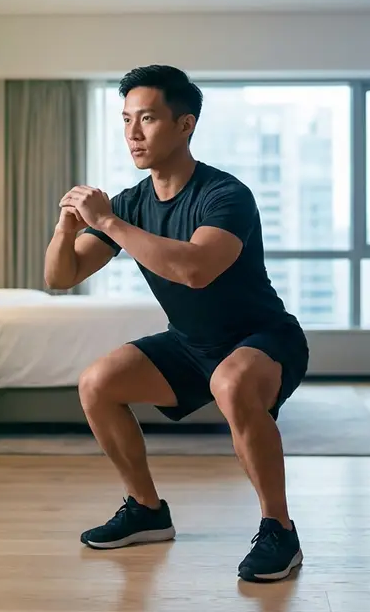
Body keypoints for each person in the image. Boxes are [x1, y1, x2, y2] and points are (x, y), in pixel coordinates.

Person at [43, 64, 308, 583]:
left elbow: (194, 269)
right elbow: (63, 275)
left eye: (147, 119)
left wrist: (108, 223)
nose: (133, 134)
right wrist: (65, 225)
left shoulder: (224, 195)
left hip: (263, 339)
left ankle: (279, 530)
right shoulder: (132, 201)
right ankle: (146, 510)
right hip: (192, 345)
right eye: (125, 121)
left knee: (230, 382)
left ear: (184, 125)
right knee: (98, 382)